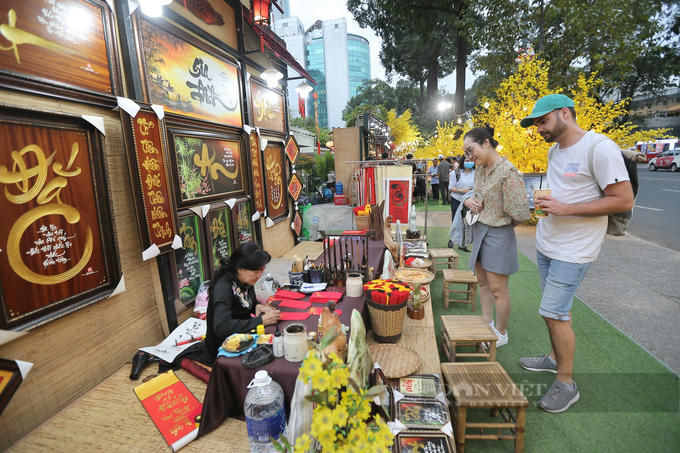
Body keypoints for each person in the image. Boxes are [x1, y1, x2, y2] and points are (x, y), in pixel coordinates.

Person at [518, 94, 634, 413]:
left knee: (552, 312)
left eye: (543, 121)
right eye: (536, 124)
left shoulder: (600, 147)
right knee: (557, 310)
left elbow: (623, 200)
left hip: (575, 249)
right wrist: (547, 204)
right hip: (548, 243)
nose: (538, 129)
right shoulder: (555, 150)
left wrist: (566, 208)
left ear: (564, 114)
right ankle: (554, 358)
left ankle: (566, 384)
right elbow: (566, 192)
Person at [462, 126, 530, 350]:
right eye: (466, 153)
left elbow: (520, 213)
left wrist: (502, 224)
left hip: (499, 233)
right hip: (480, 230)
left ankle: (501, 332)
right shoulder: (481, 170)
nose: (470, 157)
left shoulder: (507, 172)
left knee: (499, 289)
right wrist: (469, 202)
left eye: (471, 150)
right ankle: (486, 322)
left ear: (486, 142)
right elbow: (475, 196)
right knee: (482, 281)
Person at [205, 243, 281, 358]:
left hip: (244, 336)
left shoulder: (245, 280)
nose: (260, 275)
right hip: (224, 348)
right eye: (256, 272)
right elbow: (221, 327)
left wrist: (258, 305)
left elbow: (246, 299)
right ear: (240, 269)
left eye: (262, 271)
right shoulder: (224, 288)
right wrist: (261, 321)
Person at [448, 155, 475, 251]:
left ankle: (463, 244)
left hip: (469, 201)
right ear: (463, 161)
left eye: (471, 160)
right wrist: (462, 190)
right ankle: (452, 239)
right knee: (455, 220)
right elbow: (451, 187)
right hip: (457, 199)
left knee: (467, 222)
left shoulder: (476, 173)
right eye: (467, 160)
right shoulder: (455, 173)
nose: (470, 162)